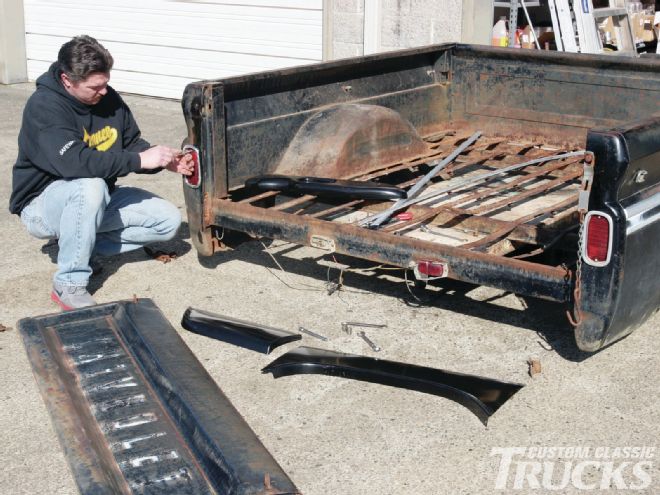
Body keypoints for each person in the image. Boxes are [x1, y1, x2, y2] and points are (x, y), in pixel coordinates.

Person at [9, 35, 194, 310]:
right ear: (67, 80)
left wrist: (161, 160)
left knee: (167, 221)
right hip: (41, 205)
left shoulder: (108, 98)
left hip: (94, 198)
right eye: (95, 87)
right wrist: (139, 160)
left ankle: (78, 246)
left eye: (106, 83)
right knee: (90, 184)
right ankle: (69, 285)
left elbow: (131, 144)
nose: (104, 91)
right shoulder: (44, 107)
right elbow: (74, 163)